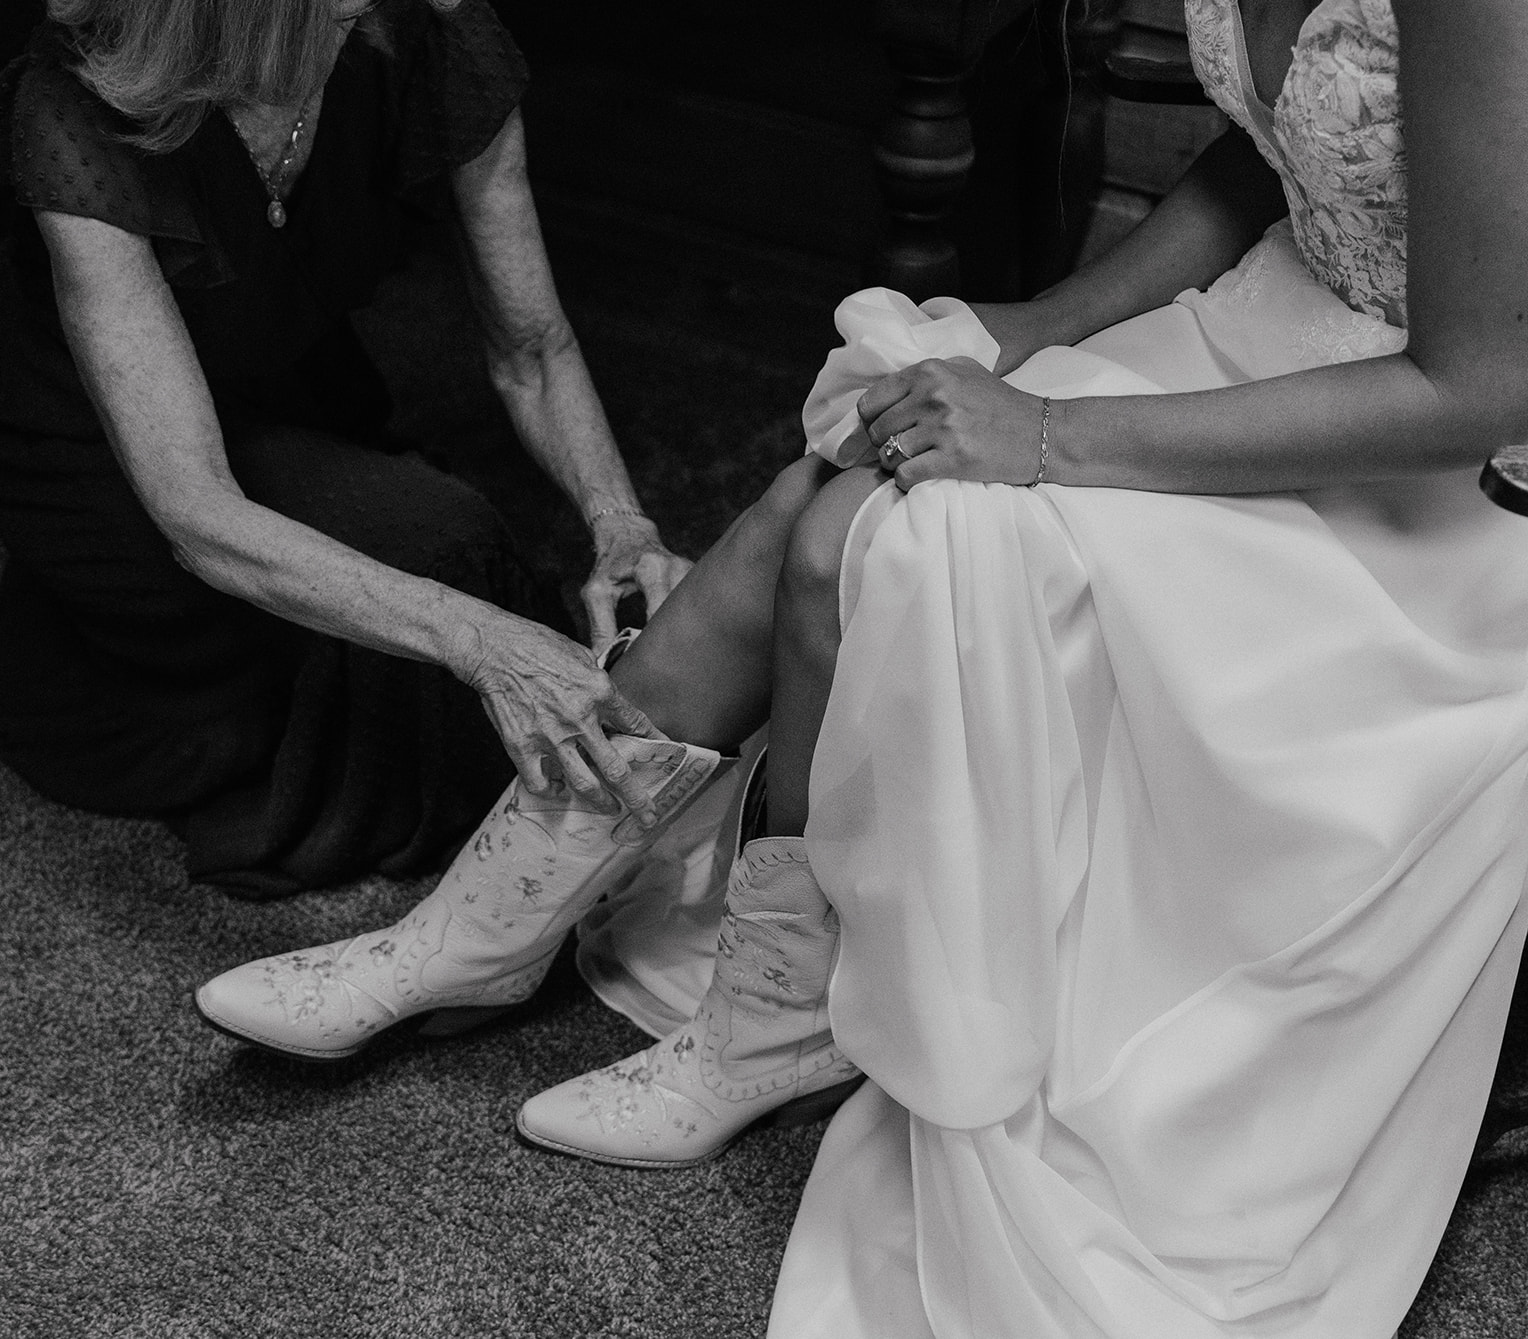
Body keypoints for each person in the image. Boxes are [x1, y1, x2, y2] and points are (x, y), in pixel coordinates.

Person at [200, 0, 1528, 1332]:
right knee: (845, 474)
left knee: (870, 526)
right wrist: (1035, 324)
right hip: (1268, 323)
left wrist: (1050, 430)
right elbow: (1280, 150)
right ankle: (510, 932)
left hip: (1428, 481)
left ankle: (682, 977)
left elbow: (1482, 390)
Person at [0, 0, 690, 898]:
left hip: (278, 371)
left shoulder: (430, 27)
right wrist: (480, 641)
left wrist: (620, 523)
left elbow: (530, 349)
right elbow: (196, 510)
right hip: (78, 430)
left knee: (439, 560)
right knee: (435, 561)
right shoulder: (73, 108)